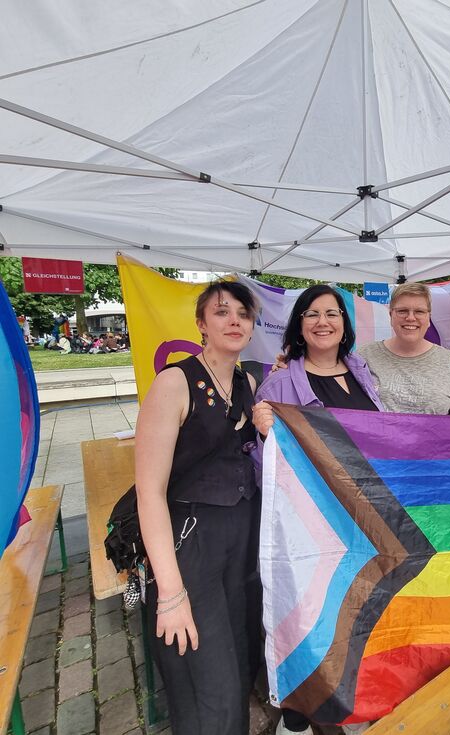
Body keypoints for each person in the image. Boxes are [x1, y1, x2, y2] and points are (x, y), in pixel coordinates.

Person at [252, 284, 382, 735]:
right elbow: (261, 468)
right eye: (311, 314)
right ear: (298, 326)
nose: (322, 322)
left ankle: (354, 695)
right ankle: (301, 712)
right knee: (312, 614)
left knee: (358, 608)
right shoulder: (279, 383)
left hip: (364, 517)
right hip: (313, 524)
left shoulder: (363, 371)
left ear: (344, 324)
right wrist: (265, 437)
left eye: (332, 313)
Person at [135, 279, 260, 735]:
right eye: (222, 312)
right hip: (193, 548)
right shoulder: (174, 382)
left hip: (242, 549)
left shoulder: (247, 382)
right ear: (201, 324)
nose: (234, 321)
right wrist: (169, 594)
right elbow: (149, 491)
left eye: (243, 315)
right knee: (211, 686)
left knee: (241, 669)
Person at [358, 283, 450, 415]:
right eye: (402, 311)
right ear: (391, 315)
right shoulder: (365, 356)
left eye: (419, 311)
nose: (411, 318)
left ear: (428, 318)